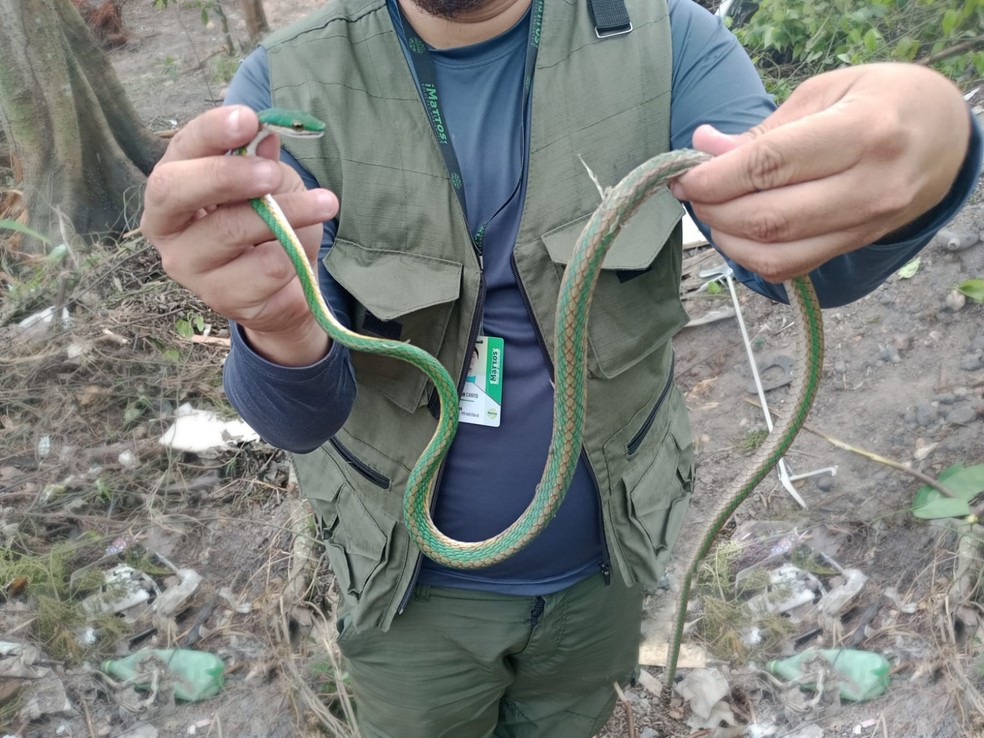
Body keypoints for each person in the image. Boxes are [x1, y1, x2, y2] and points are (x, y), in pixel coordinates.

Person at [141, 0, 982, 734]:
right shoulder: (284, 94)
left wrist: (935, 136)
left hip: (609, 570)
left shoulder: (670, 42)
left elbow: (811, 263)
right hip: (408, 602)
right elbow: (294, 420)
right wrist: (278, 324)